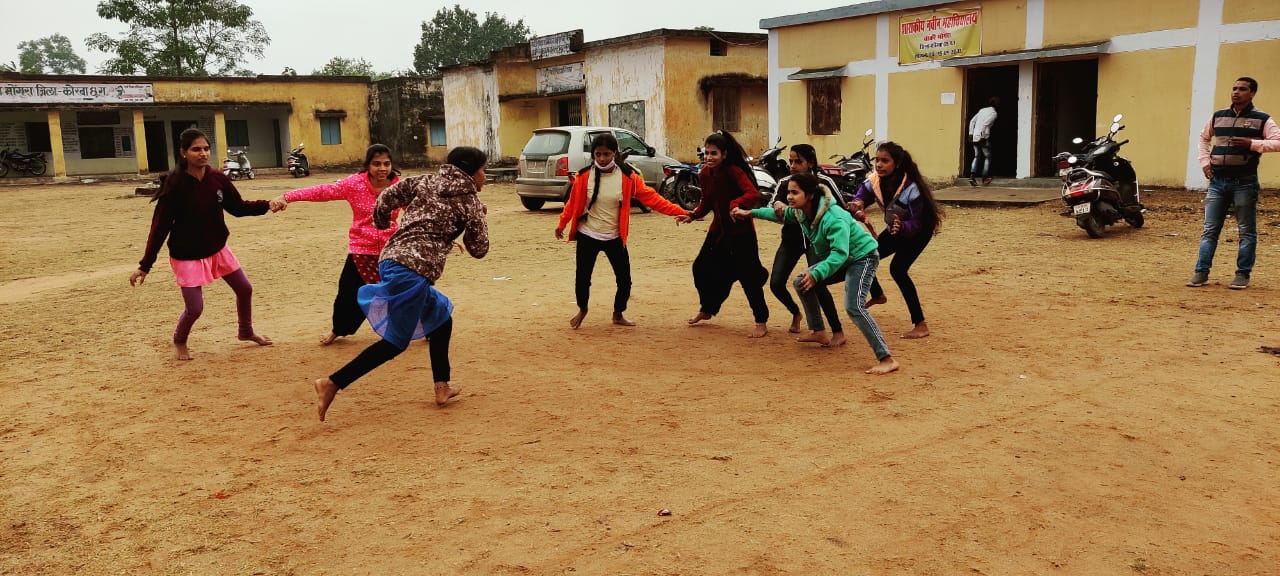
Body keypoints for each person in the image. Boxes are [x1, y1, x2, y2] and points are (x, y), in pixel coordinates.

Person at [313, 146, 490, 422]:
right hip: (413, 272)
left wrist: (382, 222)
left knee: (442, 318)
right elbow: (479, 249)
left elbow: (387, 197)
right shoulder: (470, 202)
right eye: (483, 171)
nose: (484, 177)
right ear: (470, 171)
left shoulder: (424, 181)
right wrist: (476, 221)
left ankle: (442, 387)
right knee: (395, 342)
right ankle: (333, 382)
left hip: (391, 260)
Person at [128, 127, 273, 361]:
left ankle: (246, 331)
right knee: (195, 308)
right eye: (196, 149)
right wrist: (145, 265)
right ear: (183, 153)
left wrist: (268, 205)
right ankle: (179, 340)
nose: (203, 153)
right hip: (187, 255)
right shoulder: (175, 184)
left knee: (244, 289)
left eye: (206, 148)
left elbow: (238, 208)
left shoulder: (218, 178)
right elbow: (159, 228)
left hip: (217, 248)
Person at [733, 173, 898, 374]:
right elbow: (780, 215)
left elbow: (840, 253)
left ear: (810, 195)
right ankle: (818, 330)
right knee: (801, 281)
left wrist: (817, 273)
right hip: (844, 258)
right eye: (789, 192)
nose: (789, 197)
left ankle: (886, 358)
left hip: (862, 257)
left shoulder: (833, 217)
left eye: (795, 192)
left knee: (854, 306)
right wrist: (749, 213)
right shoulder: (802, 211)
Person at [269, 144, 402, 345]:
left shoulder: (400, 188)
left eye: (386, 164)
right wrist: (287, 196)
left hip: (392, 251)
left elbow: (419, 210)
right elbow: (322, 191)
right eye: (376, 164)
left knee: (407, 290)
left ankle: (428, 325)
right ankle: (338, 329)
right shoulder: (354, 184)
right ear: (368, 165)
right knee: (348, 293)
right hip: (361, 250)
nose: (382, 169)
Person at [556, 133, 689, 328]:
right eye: (598, 154)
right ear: (593, 154)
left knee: (624, 280)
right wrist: (562, 224)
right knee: (582, 278)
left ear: (615, 154)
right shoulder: (583, 176)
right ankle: (582, 309)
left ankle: (618, 313)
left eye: (607, 154)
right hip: (588, 235)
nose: (602, 158)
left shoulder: (628, 177)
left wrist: (683, 212)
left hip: (615, 237)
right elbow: (572, 204)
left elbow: (653, 199)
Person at [1188, 76, 1280, 290]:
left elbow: (1277, 142)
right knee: (1210, 229)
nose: (1236, 92)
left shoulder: (1262, 119)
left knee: (1246, 230)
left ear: (1252, 93)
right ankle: (1201, 272)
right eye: (1234, 88)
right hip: (1217, 181)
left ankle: (1242, 274)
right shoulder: (1218, 116)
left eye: (1242, 89)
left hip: (1244, 183)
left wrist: (1252, 144)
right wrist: (1205, 162)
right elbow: (1203, 138)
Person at [675, 130, 770, 338]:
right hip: (718, 231)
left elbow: (752, 193)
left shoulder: (734, 171)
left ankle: (761, 321)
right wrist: (693, 215)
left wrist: (736, 204)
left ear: (724, 154)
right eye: (706, 153)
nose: (709, 157)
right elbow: (707, 201)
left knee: (748, 279)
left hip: (741, 232)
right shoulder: (704, 174)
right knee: (700, 267)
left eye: (714, 153)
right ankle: (707, 309)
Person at [849, 141, 944, 339]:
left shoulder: (912, 188)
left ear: (898, 163)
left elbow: (918, 222)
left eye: (885, 161)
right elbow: (863, 193)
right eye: (877, 160)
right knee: (865, 254)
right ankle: (877, 294)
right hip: (896, 228)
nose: (879, 165)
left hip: (918, 232)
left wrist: (903, 227)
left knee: (898, 270)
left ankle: (920, 324)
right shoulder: (875, 180)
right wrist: (858, 202)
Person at [768, 144, 850, 346]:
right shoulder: (785, 183)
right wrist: (777, 205)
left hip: (816, 242)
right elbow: (773, 205)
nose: (792, 165)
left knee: (817, 282)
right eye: (791, 161)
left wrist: (858, 217)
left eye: (798, 161)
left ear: (810, 163)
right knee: (776, 284)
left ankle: (836, 331)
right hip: (791, 240)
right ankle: (796, 312)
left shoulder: (824, 182)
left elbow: (842, 209)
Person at [967, 96, 998, 186]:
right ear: (996, 104)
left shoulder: (982, 110)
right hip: (983, 137)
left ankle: (972, 176)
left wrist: (971, 133)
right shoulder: (994, 113)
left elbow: (972, 121)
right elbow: (985, 125)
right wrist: (983, 137)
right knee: (987, 157)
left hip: (975, 136)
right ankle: (984, 177)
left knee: (977, 156)